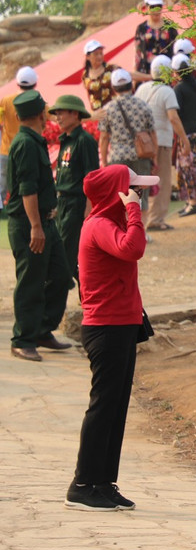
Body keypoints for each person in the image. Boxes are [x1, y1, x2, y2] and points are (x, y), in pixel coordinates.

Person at [64, 164, 158, 510]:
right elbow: (133, 248)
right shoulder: (100, 225)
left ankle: (103, 482)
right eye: (133, 189)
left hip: (121, 325)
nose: (138, 194)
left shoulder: (109, 223)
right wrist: (133, 210)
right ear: (115, 193)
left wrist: (130, 210)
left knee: (116, 407)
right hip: (106, 328)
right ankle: (82, 484)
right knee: (103, 406)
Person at [8, 91, 74, 362]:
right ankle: (23, 339)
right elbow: (27, 190)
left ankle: (42, 330)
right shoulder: (25, 143)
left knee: (61, 275)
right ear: (40, 115)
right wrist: (36, 226)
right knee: (31, 282)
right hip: (29, 224)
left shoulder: (33, 140)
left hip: (45, 221)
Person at [135, 56, 191, 231]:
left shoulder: (141, 89)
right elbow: (173, 118)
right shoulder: (167, 91)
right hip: (161, 141)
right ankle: (156, 219)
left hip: (142, 143)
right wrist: (185, 140)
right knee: (162, 180)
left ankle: (138, 219)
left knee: (142, 180)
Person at [52, 94, 100, 288]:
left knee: (65, 253)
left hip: (77, 203)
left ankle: (78, 289)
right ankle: (88, 291)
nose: (57, 117)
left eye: (61, 113)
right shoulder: (66, 140)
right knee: (68, 254)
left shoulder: (84, 141)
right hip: (63, 204)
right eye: (56, 113)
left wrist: (89, 208)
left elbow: (92, 177)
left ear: (75, 114)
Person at [98, 69, 156, 184]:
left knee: (119, 193)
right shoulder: (143, 105)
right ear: (131, 85)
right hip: (141, 156)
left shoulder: (107, 109)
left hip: (117, 158)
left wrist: (104, 162)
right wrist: (155, 158)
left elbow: (104, 138)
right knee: (140, 192)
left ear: (113, 88)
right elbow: (152, 134)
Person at [172, 53, 196, 217]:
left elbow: (175, 112)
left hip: (186, 134)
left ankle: (193, 202)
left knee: (187, 169)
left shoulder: (179, 89)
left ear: (176, 72)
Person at [1, 65, 39, 205]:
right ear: (35, 84)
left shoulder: (5, 101)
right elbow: (53, 116)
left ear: (17, 83)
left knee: (2, 185)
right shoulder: (36, 101)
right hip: (27, 152)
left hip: (6, 150)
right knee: (26, 185)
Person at [133, 0, 179, 76]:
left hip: (167, 73)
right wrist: (136, 74)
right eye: (152, 7)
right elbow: (138, 54)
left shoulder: (170, 27)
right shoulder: (141, 29)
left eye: (159, 6)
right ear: (147, 7)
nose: (156, 10)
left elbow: (177, 50)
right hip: (147, 73)